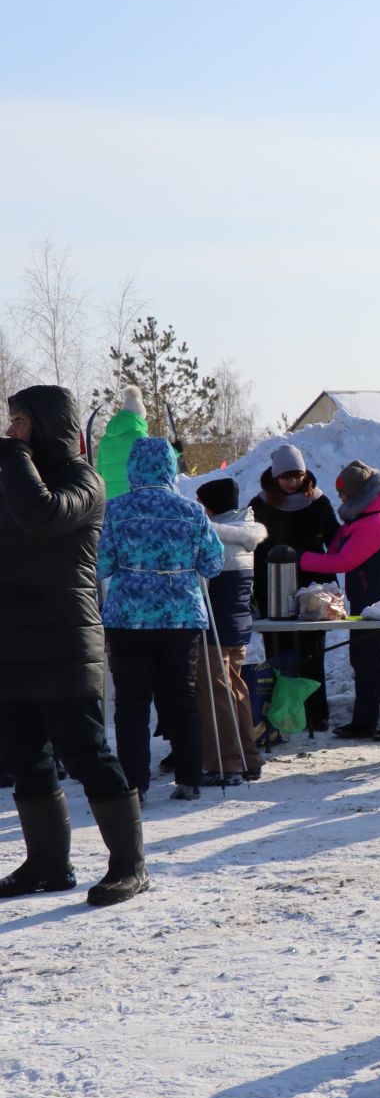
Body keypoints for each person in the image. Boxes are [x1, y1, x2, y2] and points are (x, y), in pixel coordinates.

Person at [0, 386, 151, 906]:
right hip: (13, 640)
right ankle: (47, 863)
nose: (12, 428)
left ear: (46, 424)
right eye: (10, 420)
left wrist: (16, 458)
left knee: (87, 753)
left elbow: (41, 517)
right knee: (25, 758)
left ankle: (130, 865)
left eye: (21, 421)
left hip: (66, 639)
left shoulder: (84, 480)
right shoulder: (13, 480)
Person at [98, 437, 226, 802]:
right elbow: (213, 564)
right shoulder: (192, 511)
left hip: (128, 619)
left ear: (132, 467)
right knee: (182, 699)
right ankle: (189, 778)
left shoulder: (116, 511)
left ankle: (133, 785)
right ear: (171, 467)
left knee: (131, 704)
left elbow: (102, 564)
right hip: (181, 619)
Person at [299, 460, 380, 739]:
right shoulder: (363, 515)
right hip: (367, 596)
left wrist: (302, 559)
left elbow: (346, 560)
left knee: (375, 659)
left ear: (360, 494)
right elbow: (340, 545)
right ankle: (364, 721)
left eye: (344, 494)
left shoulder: (376, 519)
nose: (341, 499)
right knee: (361, 659)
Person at [250, 444, 340, 733]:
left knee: (312, 652)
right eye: (287, 477)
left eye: (298, 475)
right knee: (279, 650)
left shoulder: (318, 502)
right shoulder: (261, 504)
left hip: (313, 588)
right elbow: (252, 548)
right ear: (275, 477)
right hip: (272, 587)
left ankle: (316, 713)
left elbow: (335, 540)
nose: (293, 482)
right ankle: (281, 714)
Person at [195, 477, 267, 784]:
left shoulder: (215, 538)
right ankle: (249, 757)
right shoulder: (244, 533)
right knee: (236, 689)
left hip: (215, 627)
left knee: (215, 694)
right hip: (237, 627)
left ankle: (226, 762)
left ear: (209, 508)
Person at [95, 385, 148, 501]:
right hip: (134, 498)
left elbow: (98, 471)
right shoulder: (140, 437)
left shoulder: (105, 440)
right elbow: (156, 463)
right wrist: (175, 451)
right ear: (140, 417)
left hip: (110, 501)